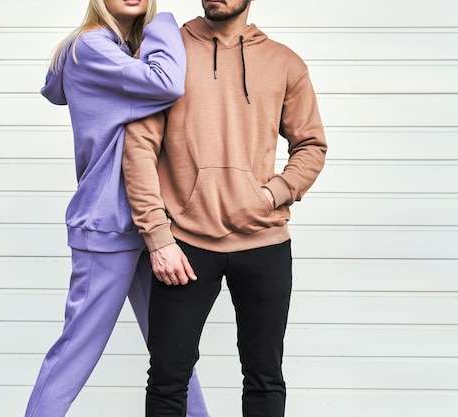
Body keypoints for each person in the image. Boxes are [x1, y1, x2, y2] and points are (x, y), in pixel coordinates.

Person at [122, 0, 328, 415]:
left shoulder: (284, 62)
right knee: (167, 379)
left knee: (265, 378)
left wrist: (272, 194)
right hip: (184, 245)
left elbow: (311, 145)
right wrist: (158, 237)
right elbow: (138, 147)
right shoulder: (168, 50)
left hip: (264, 244)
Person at [24, 1, 210, 416]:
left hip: (148, 224)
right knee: (76, 351)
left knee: (173, 351)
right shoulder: (90, 48)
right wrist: (163, 24)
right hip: (107, 225)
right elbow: (167, 84)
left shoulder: (124, 51)